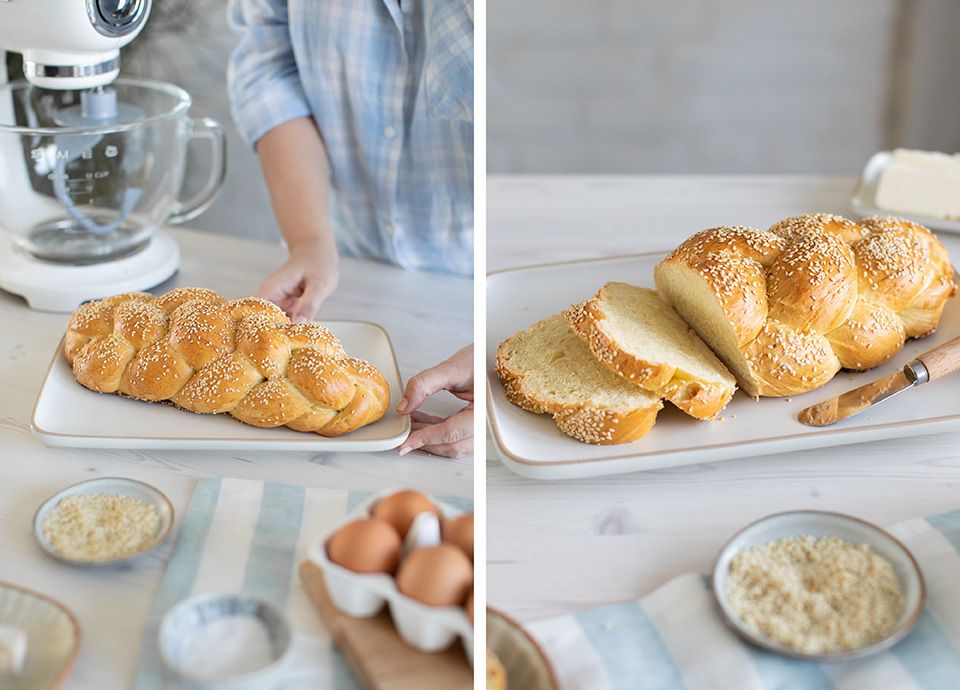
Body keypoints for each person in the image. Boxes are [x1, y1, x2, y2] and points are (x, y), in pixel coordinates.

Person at [227, 0, 474, 458]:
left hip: (480, 291)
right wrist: (309, 240)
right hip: (344, 269)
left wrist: (507, 367)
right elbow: (270, 71)